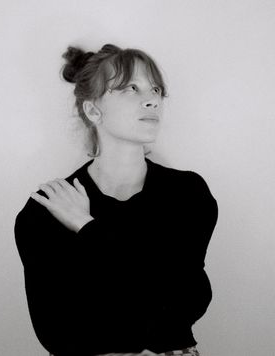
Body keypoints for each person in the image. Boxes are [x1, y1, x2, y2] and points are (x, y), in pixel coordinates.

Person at [14, 43, 218, 356]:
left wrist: (87, 228)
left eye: (155, 89)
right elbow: (57, 331)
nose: (152, 100)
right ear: (93, 110)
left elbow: (186, 303)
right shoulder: (47, 208)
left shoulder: (187, 194)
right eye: (130, 88)